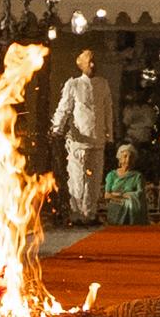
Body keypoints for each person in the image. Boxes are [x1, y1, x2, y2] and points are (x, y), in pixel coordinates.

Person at [51, 46, 114, 229]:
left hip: (98, 139)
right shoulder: (74, 84)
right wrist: (57, 128)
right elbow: (65, 107)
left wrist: (109, 133)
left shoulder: (103, 84)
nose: (93, 65)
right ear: (82, 65)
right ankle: (76, 213)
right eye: (89, 62)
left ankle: (90, 212)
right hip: (79, 140)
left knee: (94, 179)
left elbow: (107, 109)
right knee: (77, 178)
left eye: (94, 61)